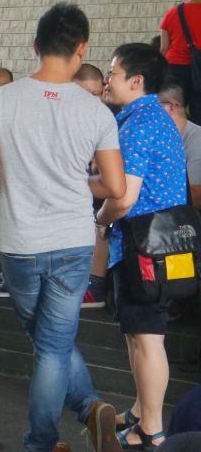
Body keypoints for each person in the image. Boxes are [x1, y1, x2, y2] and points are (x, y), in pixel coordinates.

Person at [0, 3, 127, 452]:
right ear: (81, 48)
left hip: (19, 241)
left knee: (47, 341)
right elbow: (113, 185)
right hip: (74, 241)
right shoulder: (96, 112)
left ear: (35, 46)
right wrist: (79, 179)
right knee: (53, 343)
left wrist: (13, 178)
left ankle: (48, 437)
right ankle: (83, 413)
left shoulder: (0, 99)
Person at [96, 43, 185, 450]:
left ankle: (152, 430)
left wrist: (99, 220)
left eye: (112, 73)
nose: (106, 80)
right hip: (163, 244)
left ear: (136, 81)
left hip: (143, 245)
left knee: (147, 337)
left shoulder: (139, 123)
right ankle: (139, 413)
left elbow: (125, 196)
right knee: (141, 335)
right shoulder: (152, 116)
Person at [159, 0, 201, 122]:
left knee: (174, 109)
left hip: (175, 68)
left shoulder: (174, 12)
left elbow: (163, 47)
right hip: (199, 69)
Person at [159, 81, 201, 208]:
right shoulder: (157, 139)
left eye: (151, 107)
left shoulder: (197, 138)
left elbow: (196, 195)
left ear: (171, 107)